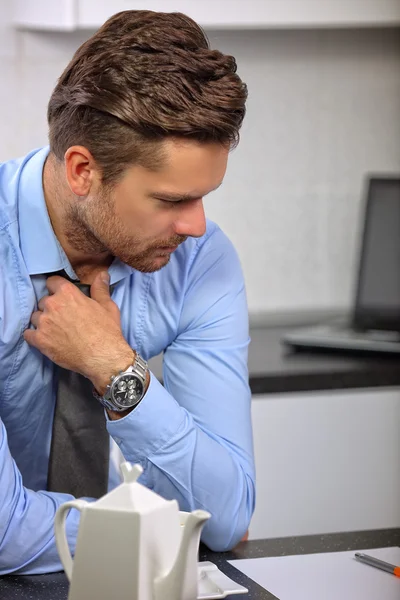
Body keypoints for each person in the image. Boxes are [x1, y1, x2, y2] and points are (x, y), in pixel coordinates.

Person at [0, 10, 255, 574]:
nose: (196, 225)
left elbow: (228, 515)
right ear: (82, 170)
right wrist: (166, 532)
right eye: (171, 200)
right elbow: (3, 535)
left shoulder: (200, 260)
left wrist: (117, 370)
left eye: (204, 195)